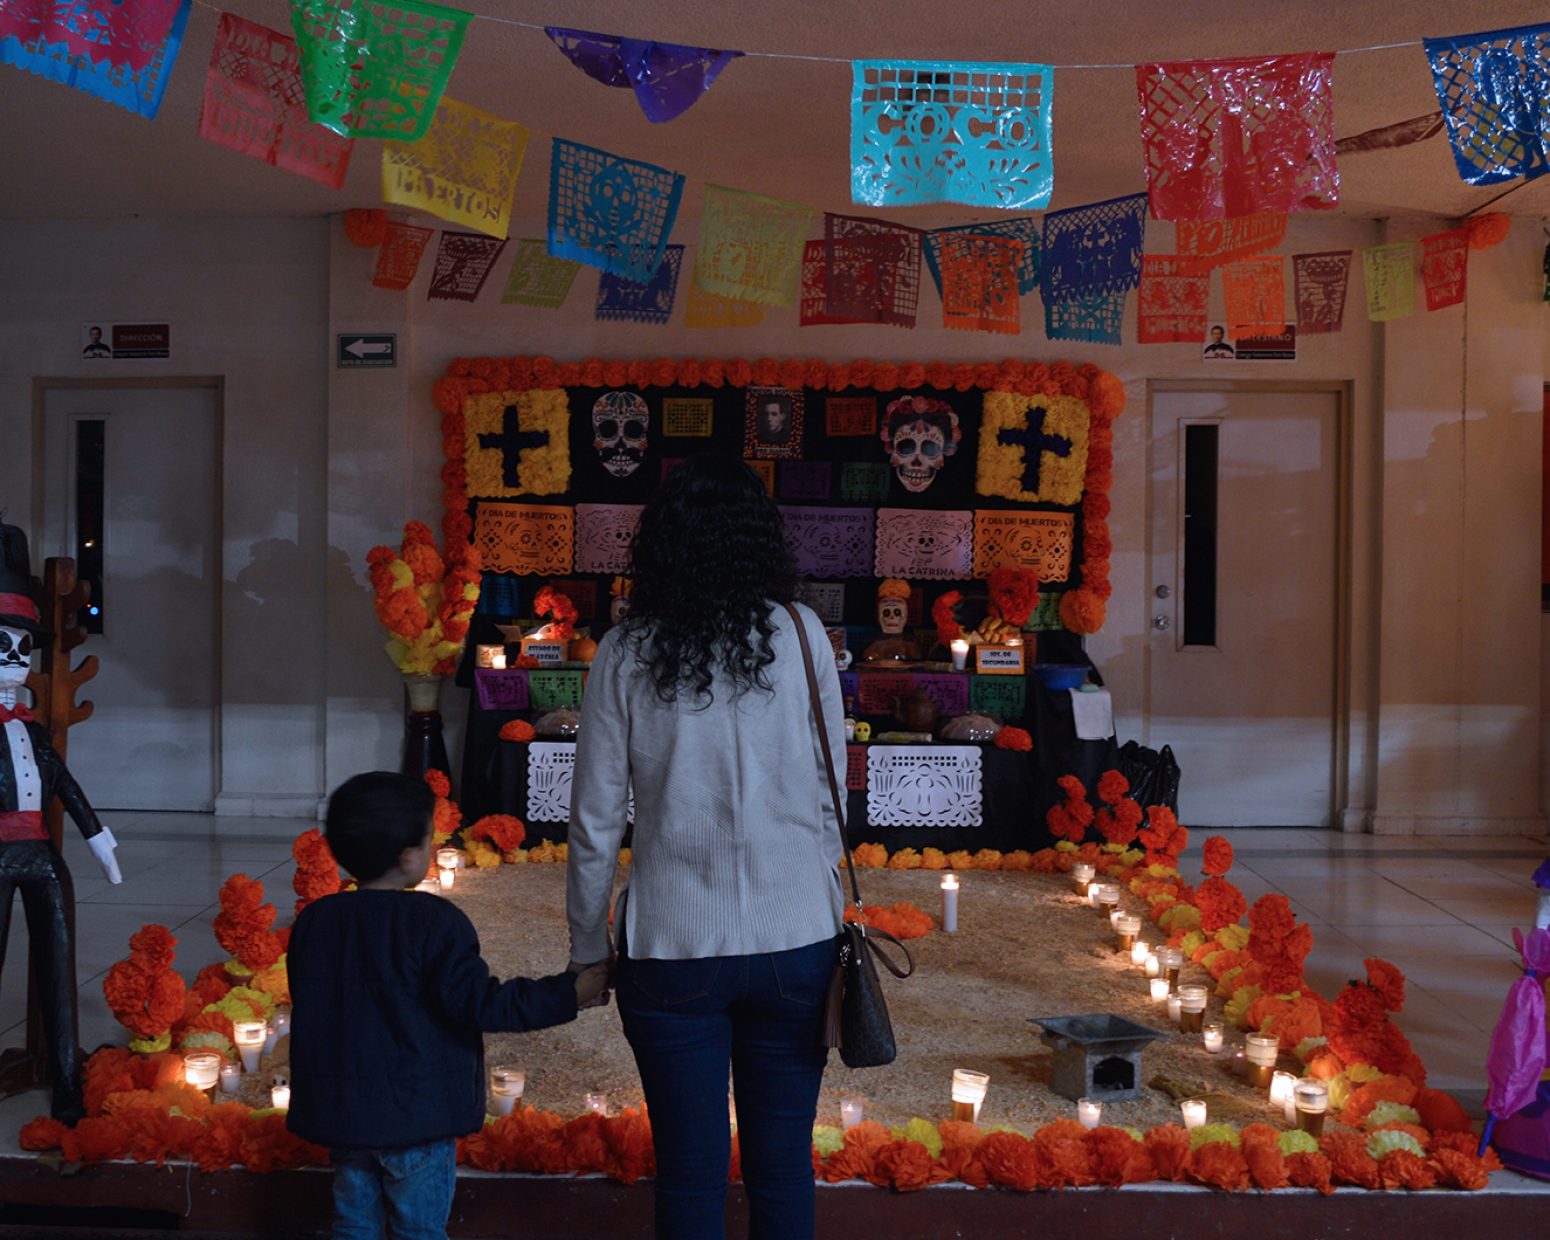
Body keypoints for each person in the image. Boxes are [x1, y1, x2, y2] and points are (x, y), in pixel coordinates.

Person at [567, 454, 846, 1240]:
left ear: (662, 546)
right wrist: (805, 882)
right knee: (783, 1168)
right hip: (797, 942)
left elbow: (594, 820)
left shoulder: (625, 652)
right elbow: (833, 792)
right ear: (762, 541)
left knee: (689, 1176)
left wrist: (589, 947)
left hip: (671, 945)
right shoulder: (800, 633)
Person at [288, 771, 610, 1240]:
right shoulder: (434, 922)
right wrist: (570, 993)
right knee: (418, 1229)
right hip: (417, 1120)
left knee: (354, 1226)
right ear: (407, 857)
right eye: (428, 839)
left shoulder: (316, 921)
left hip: (345, 1118)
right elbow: (480, 1004)